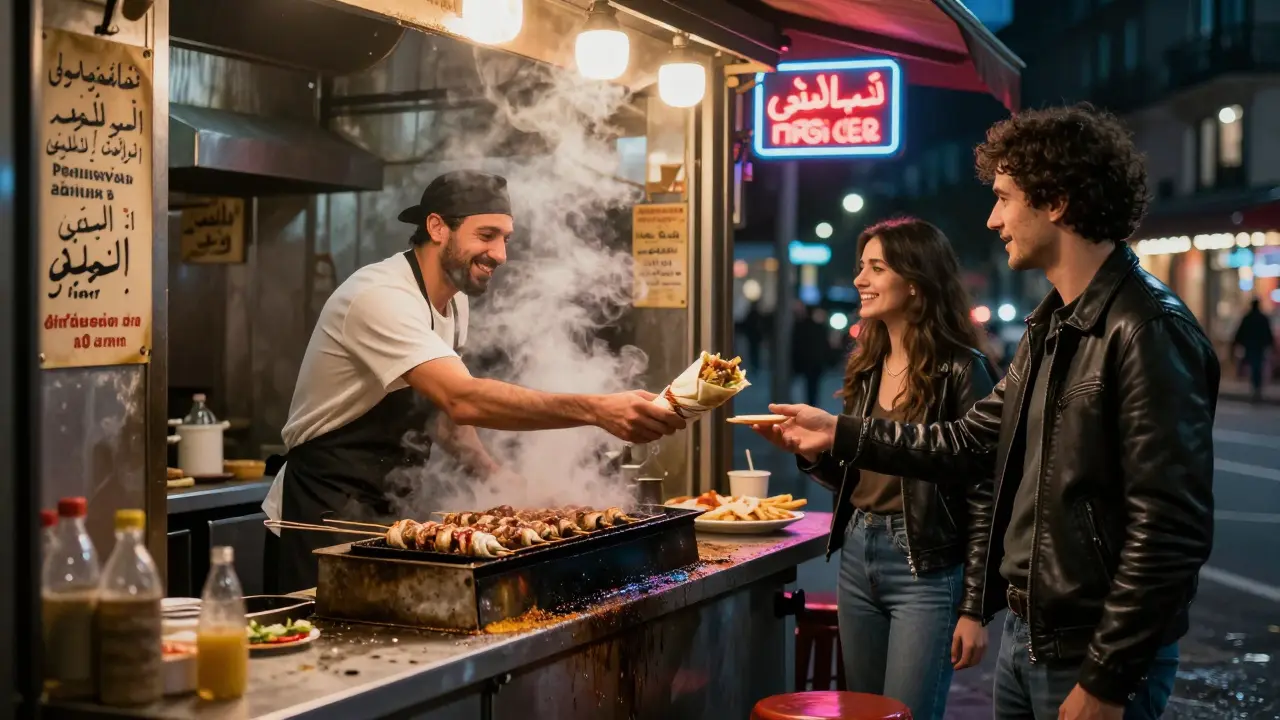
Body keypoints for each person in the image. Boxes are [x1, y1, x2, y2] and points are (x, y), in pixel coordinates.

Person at [757, 104, 1218, 720]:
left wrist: (1108, 678)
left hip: (1090, 653)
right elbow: (967, 442)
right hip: (1030, 638)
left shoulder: (1147, 328)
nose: (993, 217)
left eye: (1004, 197)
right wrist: (837, 432)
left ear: (1053, 201)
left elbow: (1170, 531)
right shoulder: (1051, 324)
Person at [263, 170, 686, 592]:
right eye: (487, 235)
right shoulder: (380, 297)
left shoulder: (454, 302)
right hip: (322, 512)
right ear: (436, 227)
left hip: (388, 507)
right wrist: (597, 410)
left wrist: (500, 478)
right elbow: (461, 398)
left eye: (505, 238)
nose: (500, 254)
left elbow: (444, 418)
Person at [795, 217, 997, 720]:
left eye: (876, 268)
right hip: (858, 555)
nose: (860, 279)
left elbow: (985, 492)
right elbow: (859, 479)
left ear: (914, 281)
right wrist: (812, 453)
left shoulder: (961, 367)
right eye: (861, 266)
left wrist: (975, 607)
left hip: (924, 566)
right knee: (864, 712)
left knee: (906, 714)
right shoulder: (867, 364)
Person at [1232, 298, 1273, 402]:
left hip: (1250, 345)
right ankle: (1257, 388)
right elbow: (1268, 333)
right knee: (1257, 366)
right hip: (1259, 346)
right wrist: (1269, 344)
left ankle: (1255, 387)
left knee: (1254, 365)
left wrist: (1237, 343)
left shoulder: (1248, 318)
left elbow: (1241, 332)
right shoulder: (1262, 318)